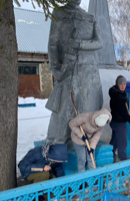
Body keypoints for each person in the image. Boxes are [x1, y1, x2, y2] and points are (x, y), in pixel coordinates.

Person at [45, 0, 103, 148]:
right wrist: (54, 67)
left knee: (85, 109)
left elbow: (99, 42)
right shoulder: (59, 13)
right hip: (68, 70)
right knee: (63, 111)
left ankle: (82, 144)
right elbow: (53, 44)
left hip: (89, 73)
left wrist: (80, 45)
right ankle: (55, 148)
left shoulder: (89, 17)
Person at [109, 76, 130, 161]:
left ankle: (110, 159)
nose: (123, 86)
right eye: (121, 84)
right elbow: (123, 112)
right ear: (117, 84)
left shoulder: (115, 93)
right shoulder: (119, 96)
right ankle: (125, 164)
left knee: (114, 143)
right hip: (120, 123)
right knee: (122, 145)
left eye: (124, 84)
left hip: (114, 122)